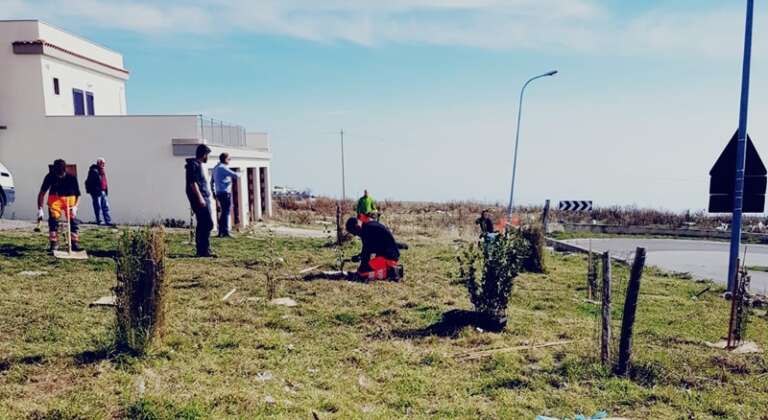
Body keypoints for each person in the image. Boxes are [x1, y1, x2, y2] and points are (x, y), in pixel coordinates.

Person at [37, 159, 82, 254]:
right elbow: (42, 193)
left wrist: (75, 207)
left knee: (72, 220)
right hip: (55, 198)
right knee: (53, 220)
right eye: (57, 174)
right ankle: (54, 242)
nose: (59, 176)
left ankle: (74, 243)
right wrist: (40, 209)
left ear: (64, 170)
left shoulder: (72, 177)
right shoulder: (50, 176)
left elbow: (78, 195)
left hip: (70, 198)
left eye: (60, 174)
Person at [345, 216, 401, 281]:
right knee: (365, 270)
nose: (355, 235)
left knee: (363, 274)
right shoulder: (368, 226)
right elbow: (368, 249)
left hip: (389, 258)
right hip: (386, 254)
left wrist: (360, 271)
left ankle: (391, 271)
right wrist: (359, 256)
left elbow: (366, 253)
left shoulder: (367, 230)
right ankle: (390, 270)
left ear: (357, 227)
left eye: (354, 232)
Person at [185, 145, 215, 257]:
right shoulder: (193, 165)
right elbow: (193, 183)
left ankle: (205, 249)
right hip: (200, 198)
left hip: (203, 197)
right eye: (207, 155)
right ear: (204, 154)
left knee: (204, 223)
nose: (208, 157)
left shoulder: (198, 165)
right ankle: (202, 250)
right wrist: (200, 198)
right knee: (206, 223)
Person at [211, 152, 241, 238]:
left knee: (224, 212)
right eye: (229, 158)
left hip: (219, 192)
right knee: (226, 212)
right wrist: (241, 173)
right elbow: (235, 175)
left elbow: (211, 182)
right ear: (225, 159)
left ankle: (222, 231)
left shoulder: (216, 168)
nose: (230, 160)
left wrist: (213, 192)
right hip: (225, 193)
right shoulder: (222, 168)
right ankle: (225, 231)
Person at [84, 157, 114, 226]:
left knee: (106, 207)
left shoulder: (102, 171)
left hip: (103, 191)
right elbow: (89, 182)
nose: (103, 165)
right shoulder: (94, 171)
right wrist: (93, 191)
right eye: (102, 163)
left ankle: (108, 221)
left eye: (104, 163)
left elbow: (104, 181)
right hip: (97, 192)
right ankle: (100, 221)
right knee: (98, 207)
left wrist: (106, 190)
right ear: (98, 163)